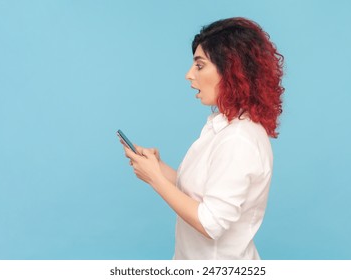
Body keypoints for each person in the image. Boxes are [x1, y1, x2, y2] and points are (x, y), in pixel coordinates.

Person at [121, 17, 284, 260]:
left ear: (231, 70)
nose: (188, 75)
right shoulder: (223, 127)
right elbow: (202, 194)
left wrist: (154, 178)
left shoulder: (239, 140)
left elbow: (211, 223)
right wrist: (158, 168)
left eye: (199, 65)